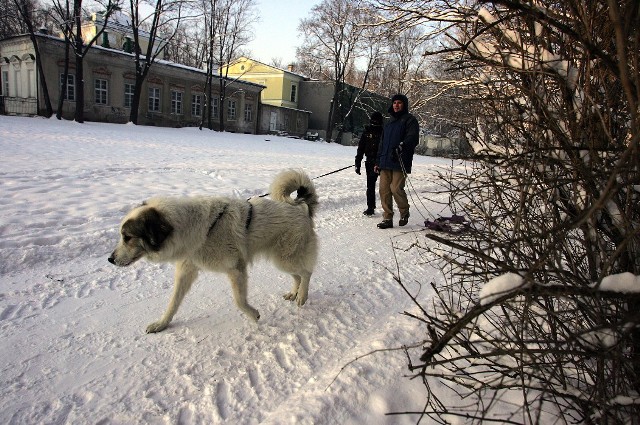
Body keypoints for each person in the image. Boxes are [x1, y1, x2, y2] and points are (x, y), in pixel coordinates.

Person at [374, 94, 420, 229]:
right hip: (385, 161)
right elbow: (382, 143)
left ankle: (404, 212)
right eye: (394, 103)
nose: (396, 105)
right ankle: (387, 218)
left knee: (395, 188)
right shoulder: (388, 122)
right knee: (384, 190)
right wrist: (377, 161)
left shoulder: (410, 120)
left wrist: (402, 146)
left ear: (404, 105)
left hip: (400, 161)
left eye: (399, 103)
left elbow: (413, 138)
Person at [355, 111, 384, 216]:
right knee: (370, 186)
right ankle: (370, 207)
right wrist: (357, 163)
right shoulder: (367, 132)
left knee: (385, 187)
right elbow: (361, 148)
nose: (374, 122)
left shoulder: (383, 132)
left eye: (376, 120)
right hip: (370, 161)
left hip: (382, 162)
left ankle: (387, 208)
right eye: (373, 120)